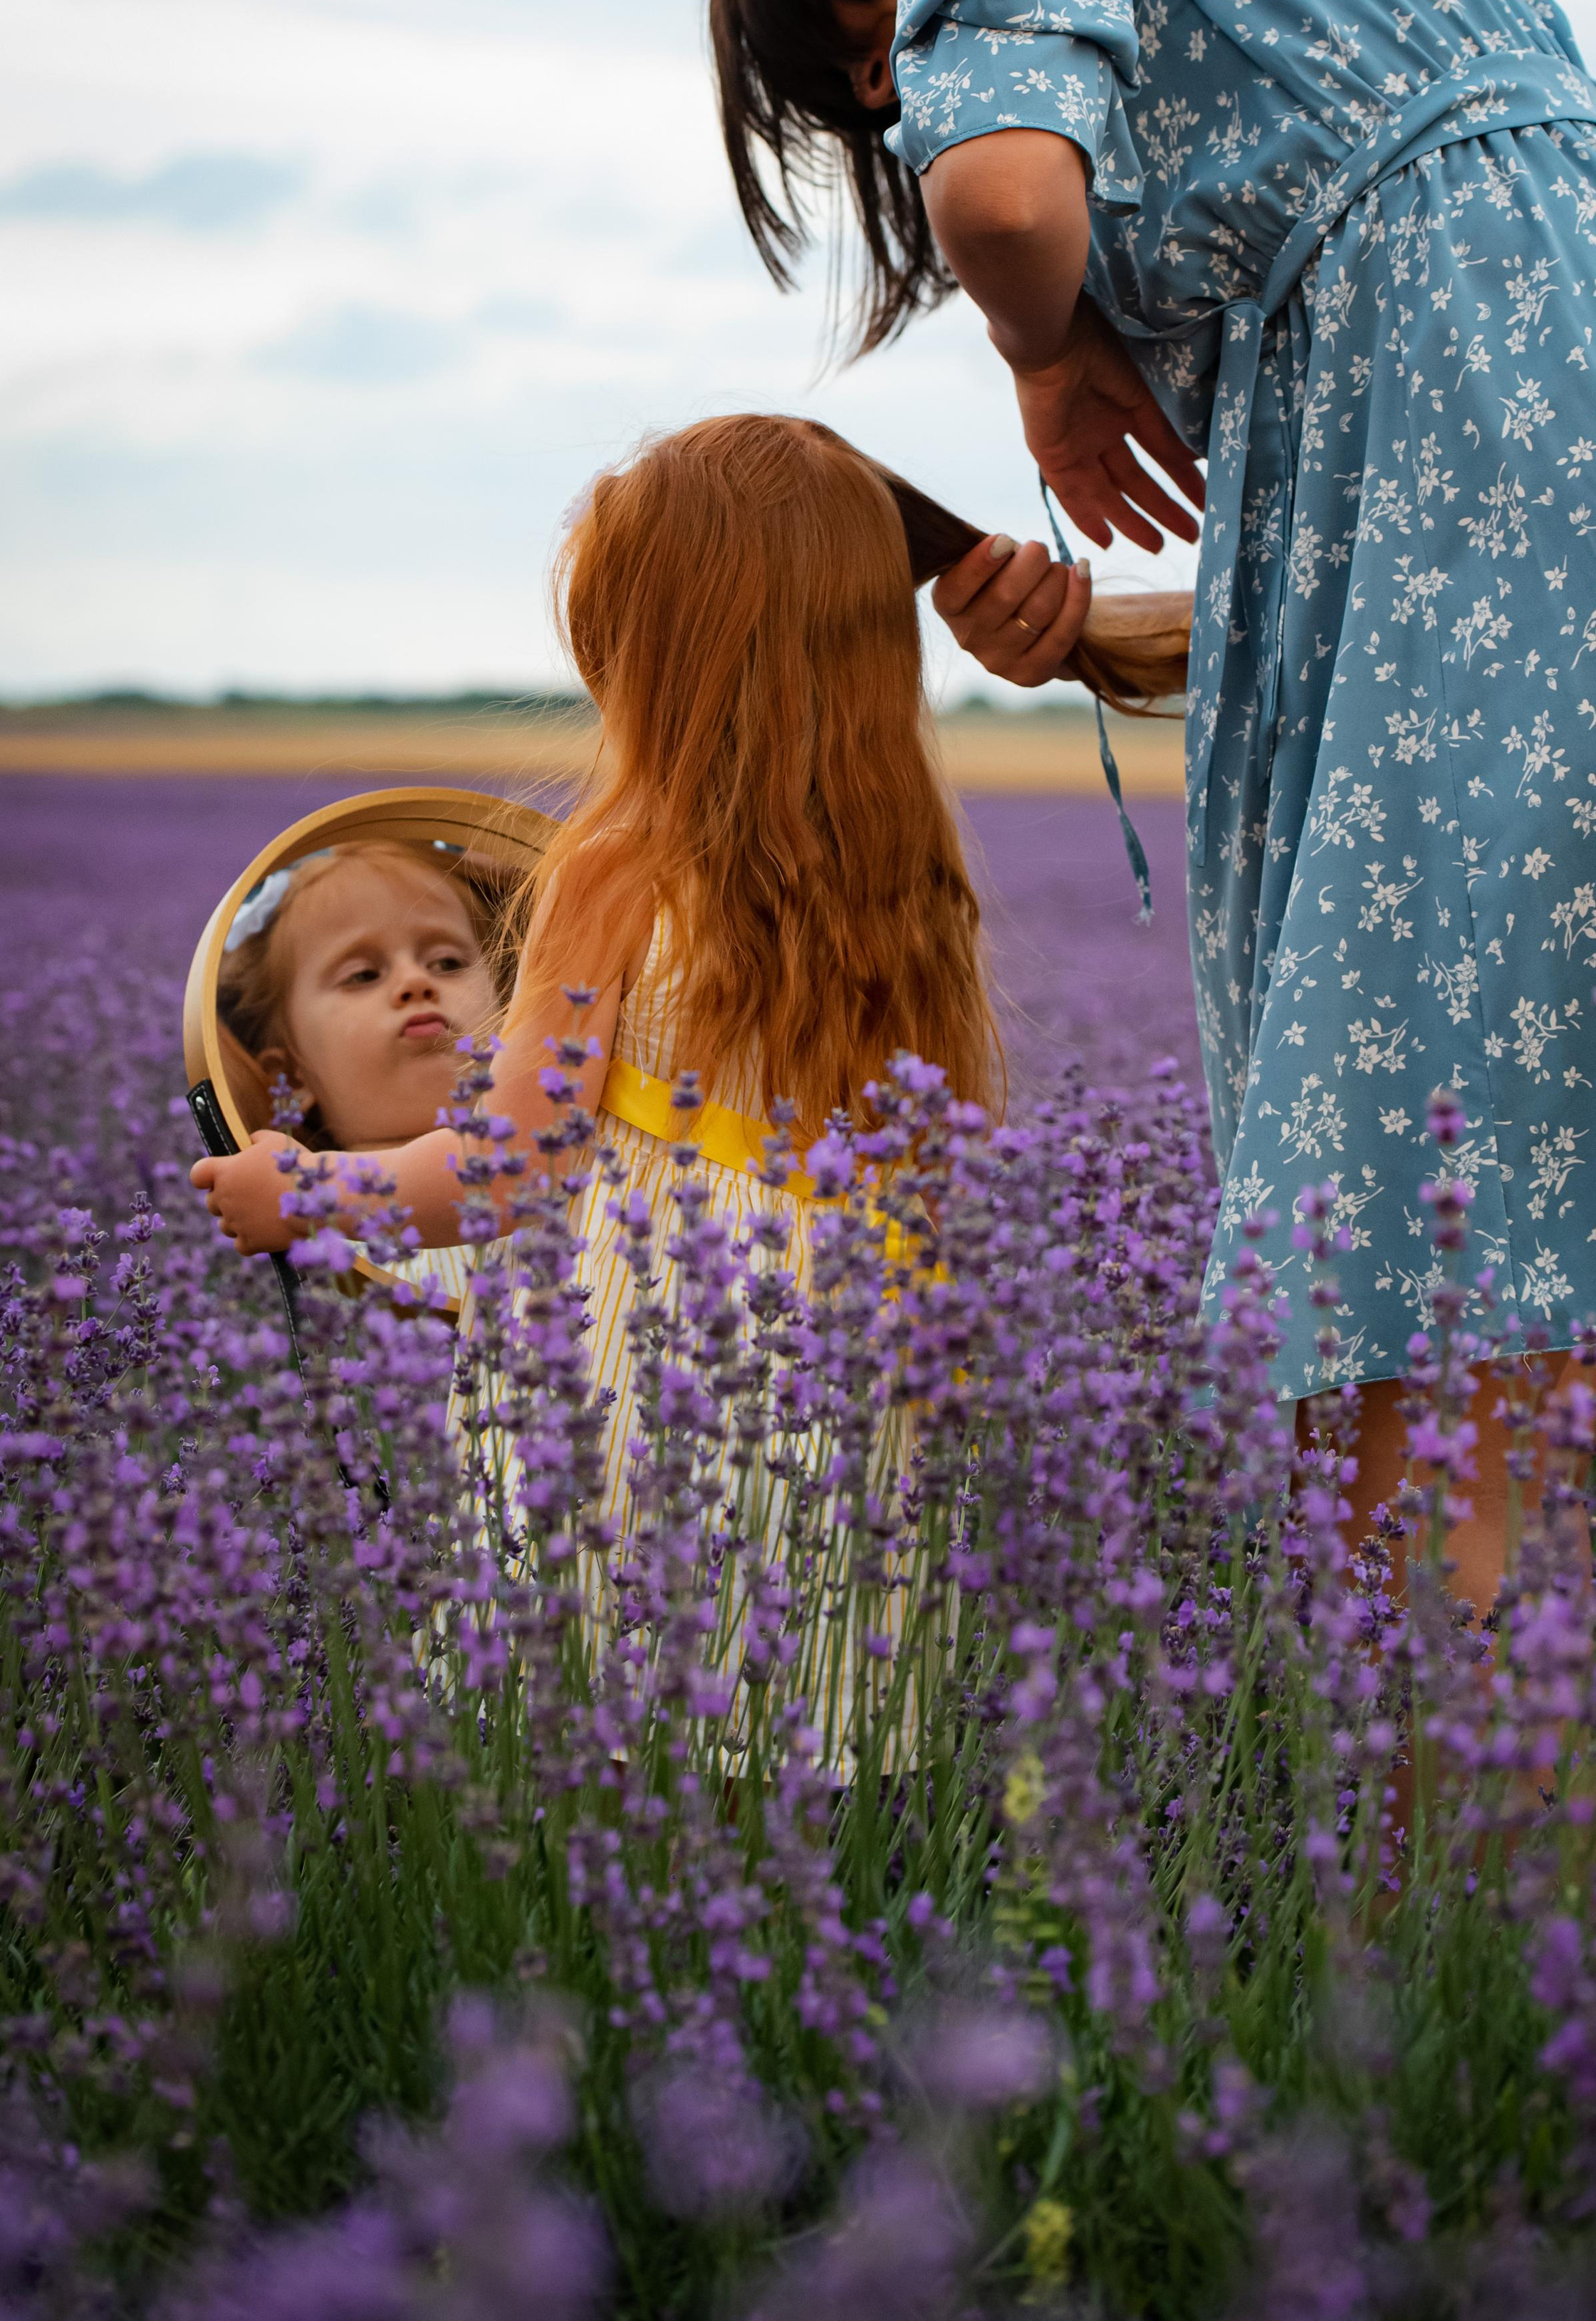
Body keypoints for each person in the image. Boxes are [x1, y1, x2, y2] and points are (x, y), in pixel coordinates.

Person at [711, 0, 1596, 1616]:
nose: (898, 101)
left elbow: (1004, 202)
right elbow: (1449, 596)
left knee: (1428, 1301)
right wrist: (1108, 646)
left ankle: (1445, 1898)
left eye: (875, 33)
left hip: (1556, 554)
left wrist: (1041, 353)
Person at [192, 416, 1001, 1709]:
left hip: (657, 1372)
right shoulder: (910, 891)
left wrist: (308, 1195)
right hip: (855, 1376)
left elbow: (509, 1165)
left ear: (657, 655)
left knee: (614, 1766)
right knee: (785, 1786)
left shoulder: (622, 866)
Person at [214, 841, 501, 1155]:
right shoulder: (305, 1194)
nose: (415, 981)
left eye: (448, 963)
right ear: (291, 1078)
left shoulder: (552, 1159)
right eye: (364, 975)